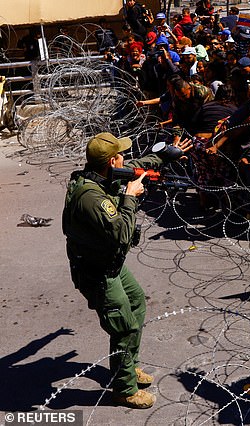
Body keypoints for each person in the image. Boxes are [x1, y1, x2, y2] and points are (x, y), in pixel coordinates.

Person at [62, 132, 189, 409]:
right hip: (97, 271)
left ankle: (128, 368)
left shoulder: (99, 174)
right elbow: (120, 234)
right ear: (110, 160)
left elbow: (137, 164)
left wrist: (164, 156)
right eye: (120, 154)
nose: (124, 158)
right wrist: (130, 197)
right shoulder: (91, 197)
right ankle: (124, 389)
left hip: (110, 264)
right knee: (124, 326)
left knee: (136, 303)